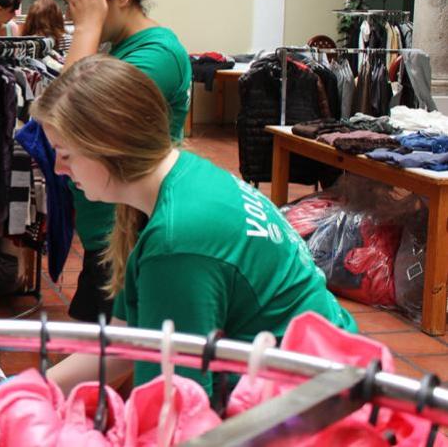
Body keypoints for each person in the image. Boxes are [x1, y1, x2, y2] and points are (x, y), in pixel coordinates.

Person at [34, 55, 356, 395]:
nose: (58, 169)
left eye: (65, 153)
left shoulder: (177, 241)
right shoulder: (182, 178)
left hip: (313, 405)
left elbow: (171, 408)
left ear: (109, 147)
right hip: (328, 374)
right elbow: (125, 344)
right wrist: (17, 391)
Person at [57, 0, 192, 325]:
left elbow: (68, 113)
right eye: (70, 4)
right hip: (108, 231)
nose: (71, 14)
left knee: (116, 362)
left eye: (80, 3)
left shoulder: (158, 54)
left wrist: (86, 29)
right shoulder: (120, 49)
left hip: (134, 235)